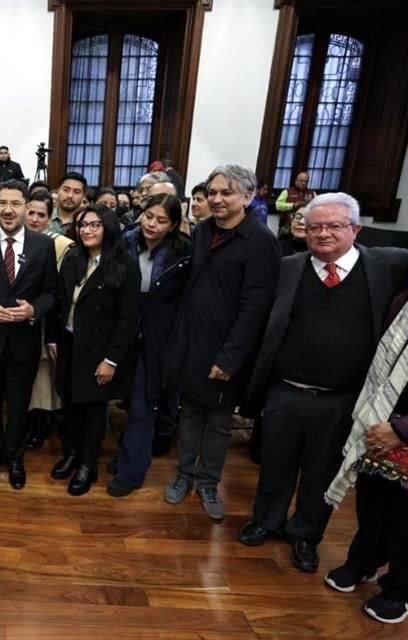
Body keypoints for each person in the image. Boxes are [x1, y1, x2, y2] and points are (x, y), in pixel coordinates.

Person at [238, 192, 408, 573]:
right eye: (314, 226)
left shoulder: (388, 265)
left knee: (323, 471)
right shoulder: (288, 267)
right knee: (274, 464)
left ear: (356, 229)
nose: (323, 234)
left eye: (334, 226)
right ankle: (266, 521)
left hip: (343, 399)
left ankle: (305, 534)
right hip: (285, 390)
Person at [323, 234, 408, 624]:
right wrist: (381, 425)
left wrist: (401, 429)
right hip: (378, 424)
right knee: (372, 503)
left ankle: (401, 592)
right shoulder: (403, 304)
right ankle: (363, 562)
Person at [163, 164, 280, 521]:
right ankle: (184, 474)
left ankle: (209, 482)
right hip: (190, 342)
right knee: (188, 415)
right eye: (212, 192)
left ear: (248, 196)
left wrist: (230, 358)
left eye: (226, 192)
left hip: (225, 350)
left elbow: (255, 308)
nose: (216, 199)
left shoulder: (261, 242)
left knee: (217, 422)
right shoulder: (202, 231)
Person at [0, 180, 57, 490]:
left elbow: (50, 293)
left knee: (18, 407)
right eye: (2, 203)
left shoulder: (43, 245)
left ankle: (15, 458)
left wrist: (33, 310)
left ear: (26, 207)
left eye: (15, 203)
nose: (7, 209)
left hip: (23, 342)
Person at [48, 206, 140, 495]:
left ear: (108, 228)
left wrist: (111, 360)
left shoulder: (124, 265)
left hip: (100, 350)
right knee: (70, 404)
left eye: (94, 225)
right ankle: (72, 453)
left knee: (93, 409)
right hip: (69, 343)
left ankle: (88, 464)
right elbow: (60, 302)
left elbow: (129, 319)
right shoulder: (73, 258)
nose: (86, 230)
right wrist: (53, 338)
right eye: (82, 225)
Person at [109, 194, 192, 495]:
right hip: (124, 332)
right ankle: (128, 455)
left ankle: (131, 473)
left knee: (143, 406)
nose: (152, 224)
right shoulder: (126, 243)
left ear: (173, 225)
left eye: (161, 220)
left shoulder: (184, 253)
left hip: (159, 339)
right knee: (128, 401)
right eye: (148, 216)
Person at [23, 190, 73, 449]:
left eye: (40, 215)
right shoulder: (13, 240)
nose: (34, 219)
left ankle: (47, 424)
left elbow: (61, 292)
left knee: (47, 378)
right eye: (30, 213)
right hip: (18, 320)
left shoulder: (62, 245)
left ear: (49, 217)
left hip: (48, 320)